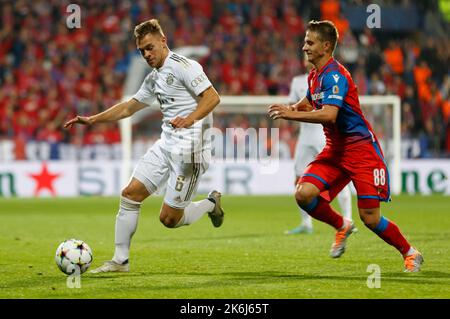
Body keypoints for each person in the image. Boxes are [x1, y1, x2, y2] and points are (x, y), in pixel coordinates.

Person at [64, 19, 224, 273]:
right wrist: (93, 119)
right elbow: (129, 106)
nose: (147, 54)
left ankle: (210, 204)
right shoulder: (154, 78)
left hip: (190, 152)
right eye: (142, 51)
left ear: (163, 41)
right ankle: (120, 261)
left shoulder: (186, 66)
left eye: (150, 47)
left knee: (169, 220)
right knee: (130, 194)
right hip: (166, 145)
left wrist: (190, 119)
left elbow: (212, 97)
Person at [268, 20, 423, 272]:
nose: (304, 46)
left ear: (326, 46)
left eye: (310, 42)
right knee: (303, 194)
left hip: (361, 151)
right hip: (335, 149)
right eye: (305, 41)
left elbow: (329, 115)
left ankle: (410, 252)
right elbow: (310, 100)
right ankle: (342, 225)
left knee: (370, 218)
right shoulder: (315, 75)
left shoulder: (336, 75)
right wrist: (294, 107)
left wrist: (290, 116)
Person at [286, 58, 353, 235]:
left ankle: (348, 219)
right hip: (305, 137)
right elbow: (294, 106)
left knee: (336, 178)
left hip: (324, 136)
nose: (306, 56)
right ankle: (306, 223)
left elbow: (332, 109)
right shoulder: (298, 81)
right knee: (299, 178)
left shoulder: (329, 78)